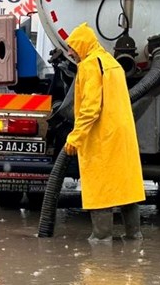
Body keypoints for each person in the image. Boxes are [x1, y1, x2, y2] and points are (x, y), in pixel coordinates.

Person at [62, 23, 145, 240]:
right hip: (122, 136)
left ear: (82, 44)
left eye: (72, 47)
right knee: (126, 187)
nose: (70, 52)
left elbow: (90, 108)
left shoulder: (90, 65)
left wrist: (75, 137)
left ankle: (101, 238)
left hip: (102, 137)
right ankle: (134, 236)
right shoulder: (112, 63)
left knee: (100, 188)